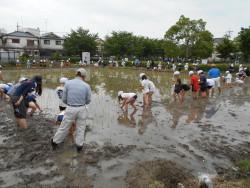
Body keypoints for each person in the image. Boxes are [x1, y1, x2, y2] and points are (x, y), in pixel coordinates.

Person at [51, 68, 91, 152]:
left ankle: (55, 142)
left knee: (64, 127)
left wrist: (70, 103)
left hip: (70, 108)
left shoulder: (68, 84)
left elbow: (64, 99)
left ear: (76, 74)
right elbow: (88, 101)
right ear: (83, 76)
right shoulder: (86, 86)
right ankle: (79, 146)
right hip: (82, 108)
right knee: (81, 128)